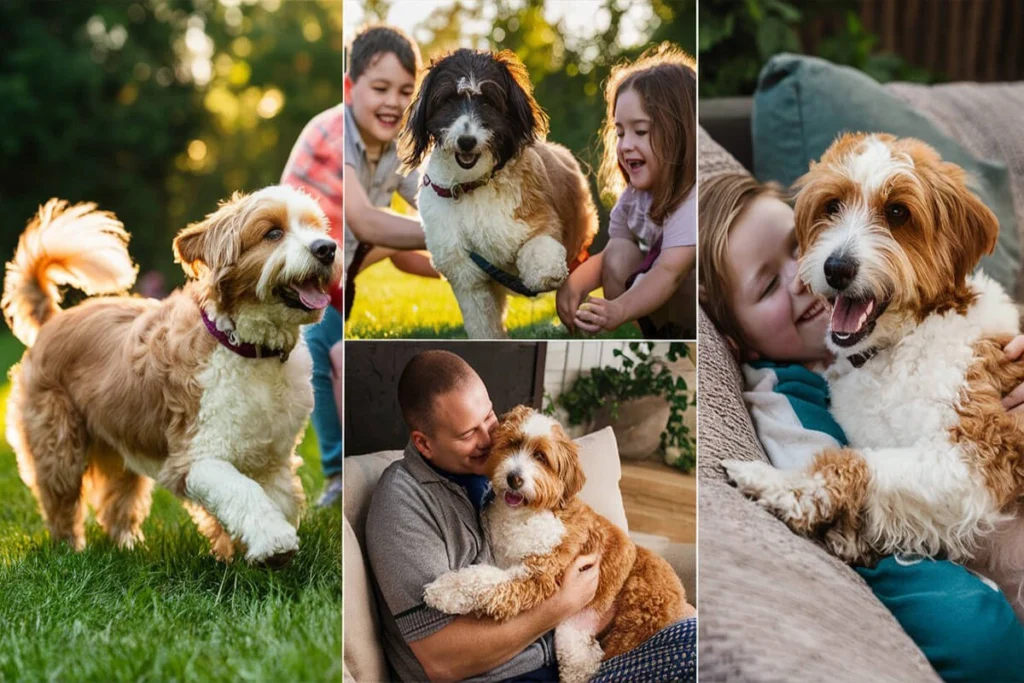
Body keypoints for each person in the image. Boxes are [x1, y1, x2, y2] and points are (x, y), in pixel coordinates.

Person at [698, 171, 1024, 681]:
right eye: (766, 286)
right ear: (739, 341)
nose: (805, 276)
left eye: (800, 244)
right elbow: (839, 509)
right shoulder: (790, 396)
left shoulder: (887, 324)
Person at [365, 350, 696, 682]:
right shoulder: (403, 502)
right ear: (424, 444)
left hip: (578, 651)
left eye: (489, 417)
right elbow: (442, 662)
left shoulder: (495, 471)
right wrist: (560, 606)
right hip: (514, 675)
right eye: (468, 435)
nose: (489, 438)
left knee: (697, 640)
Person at [557, 44, 697, 339]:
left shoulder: (693, 200)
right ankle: (645, 336)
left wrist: (618, 309)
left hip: (697, 308)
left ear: (679, 134)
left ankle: (675, 338)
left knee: (687, 277)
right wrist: (575, 284)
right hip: (659, 305)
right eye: (620, 132)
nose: (625, 144)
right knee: (619, 252)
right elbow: (612, 254)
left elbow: (669, 273)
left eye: (641, 132)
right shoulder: (635, 198)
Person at [343, 24, 438, 320]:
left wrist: (473, 264)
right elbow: (363, 222)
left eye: (406, 92)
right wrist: (453, 233)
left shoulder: (398, 149)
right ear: (349, 89)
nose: (394, 102)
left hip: (341, 275)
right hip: (302, 283)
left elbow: (434, 206)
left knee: (405, 226)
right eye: (381, 89)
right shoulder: (336, 134)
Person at [281, 104, 345, 506]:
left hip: (353, 268)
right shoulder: (326, 133)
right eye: (380, 88)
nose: (392, 101)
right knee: (318, 339)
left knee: (341, 351)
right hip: (323, 271)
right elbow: (295, 220)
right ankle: (337, 473)